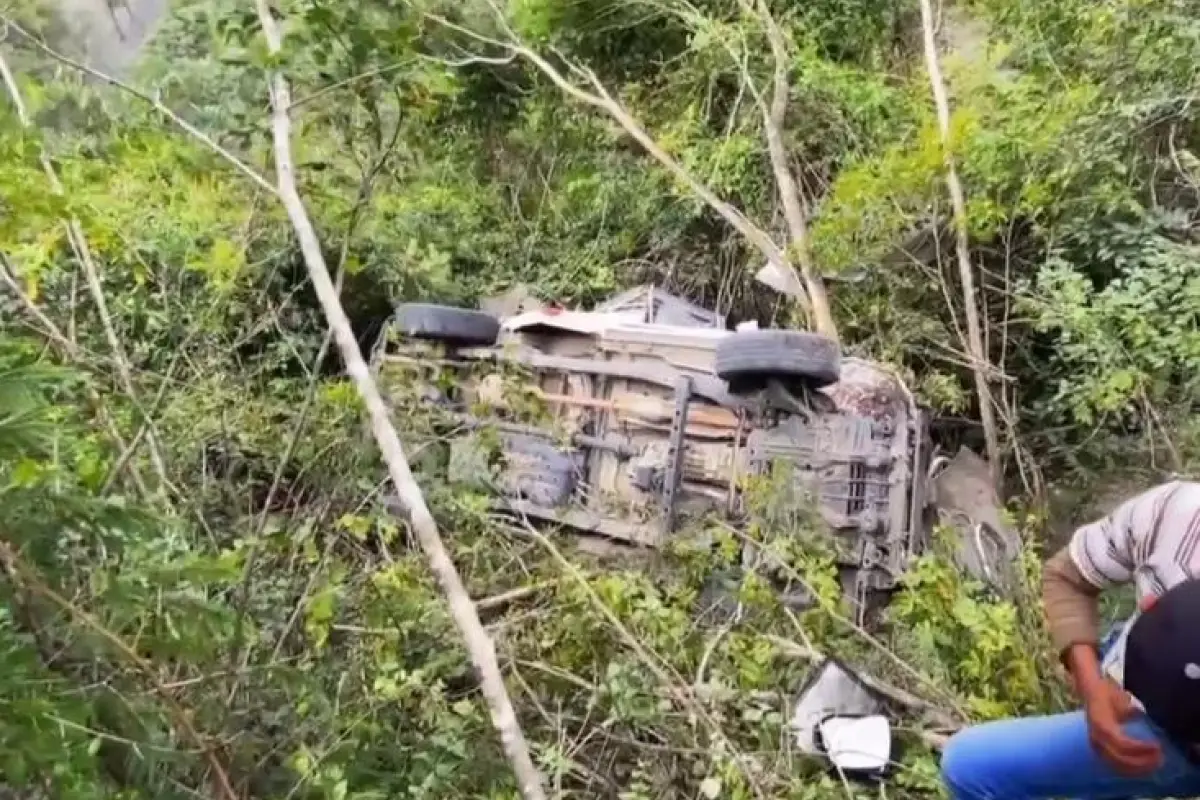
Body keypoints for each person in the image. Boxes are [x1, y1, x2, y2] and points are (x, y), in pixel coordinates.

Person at [941, 480, 1200, 800]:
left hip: (1175, 741)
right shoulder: (1179, 513)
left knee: (969, 763)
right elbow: (1069, 575)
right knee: (968, 762)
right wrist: (1092, 689)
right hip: (1132, 675)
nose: (1150, 602)